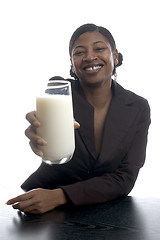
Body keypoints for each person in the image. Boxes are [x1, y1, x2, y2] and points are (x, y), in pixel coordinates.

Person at [6, 23, 151, 214]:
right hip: (40, 200)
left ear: (115, 56)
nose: (90, 57)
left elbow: (125, 177)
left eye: (99, 48)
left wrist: (60, 196)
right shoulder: (60, 94)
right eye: (79, 52)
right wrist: (39, 136)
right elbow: (46, 136)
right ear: (72, 64)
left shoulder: (138, 107)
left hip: (106, 209)